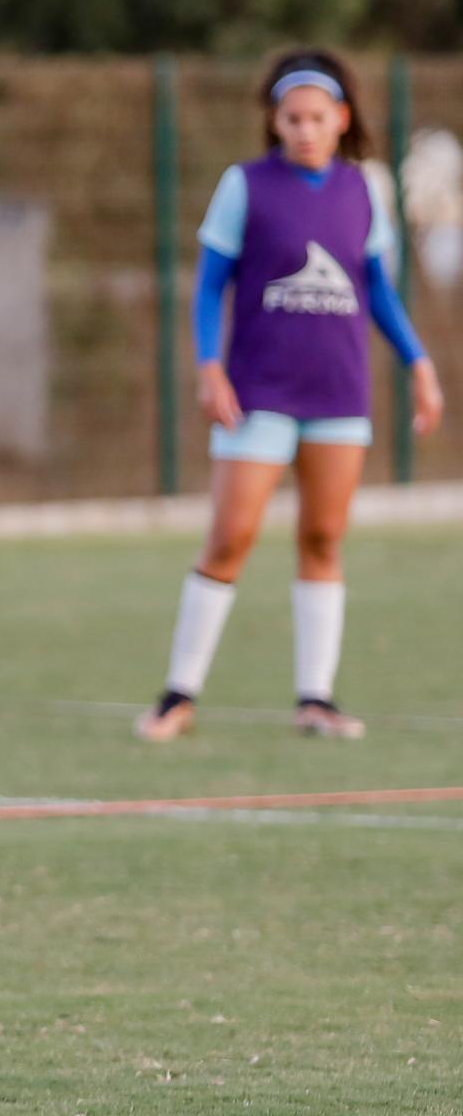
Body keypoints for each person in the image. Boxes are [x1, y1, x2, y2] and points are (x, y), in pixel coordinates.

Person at [137, 48, 445, 743]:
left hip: (338, 395)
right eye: (291, 118)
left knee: (323, 536)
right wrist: (210, 365)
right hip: (259, 394)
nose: (304, 129)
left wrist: (418, 362)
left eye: (317, 116)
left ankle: (317, 697)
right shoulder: (245, 186)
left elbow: (378, 292)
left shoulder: (363, 190)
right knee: (231, 536)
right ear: (274, 122)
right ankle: (177, 694)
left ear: (341, 118)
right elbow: (212, 283)